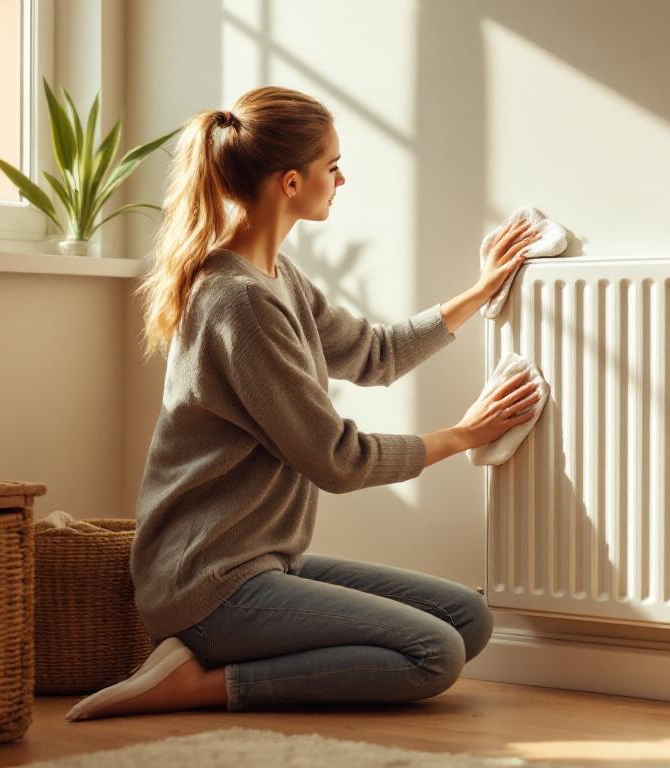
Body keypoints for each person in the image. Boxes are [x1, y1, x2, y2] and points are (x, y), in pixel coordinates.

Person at [66, 86, 541, 720]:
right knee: (435, 654)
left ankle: (210, 663)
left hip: (262, 562)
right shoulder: (238, 302)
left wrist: (481, 292)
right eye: (333, 166)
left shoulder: (277, 279)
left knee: (467, 619)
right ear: (292, 183)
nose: (341, 179)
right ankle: (194, 683)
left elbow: (375, 354)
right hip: (207, 584)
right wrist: (463, 435)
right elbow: (337, 460)